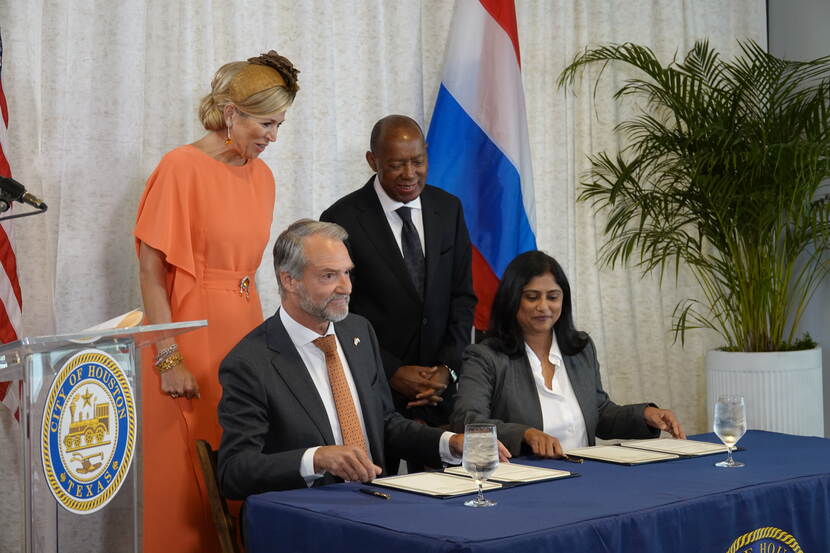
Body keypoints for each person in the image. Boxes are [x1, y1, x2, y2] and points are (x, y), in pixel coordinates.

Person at [134, 51, 299, 553]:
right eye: (266, 123)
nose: (273, 136)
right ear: (231, 113)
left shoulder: (263, 177)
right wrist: (168, 356)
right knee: (187, 485)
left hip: (245, 332)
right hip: (187, 337)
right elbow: (150, 271)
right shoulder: (180, 167)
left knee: (243, 464)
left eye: (280, 124)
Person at [217, 220, 498, 498]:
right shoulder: (250, 362)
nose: (346, 288)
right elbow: (235, 472)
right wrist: (315, 459)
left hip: (377, 501)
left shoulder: (358, 331)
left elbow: (385, 423)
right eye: (329, 276)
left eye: (347, 273)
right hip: (305, 517)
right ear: (289, 280)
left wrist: (450, 443)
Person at [320, 115, 476, 428]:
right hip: (376, 385)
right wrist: (391, 370)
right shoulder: (341, 219)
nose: (409, 174)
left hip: (439, 389)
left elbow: (462, 297)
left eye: (418, 162)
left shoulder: (448, 209)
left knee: (446, 475)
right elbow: (337, 311)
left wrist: (447, 368)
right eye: (395, 165)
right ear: (372, 160)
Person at [450, 250, 685, 458]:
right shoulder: (485, 356)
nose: (544, 306)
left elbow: (599, 412)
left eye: (553, 297)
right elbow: (467, 420)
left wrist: (645, 414)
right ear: (512, 300)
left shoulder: (580, 348)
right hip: (522, 482)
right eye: (532, 297)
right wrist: (524, 434)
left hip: (586, 475)